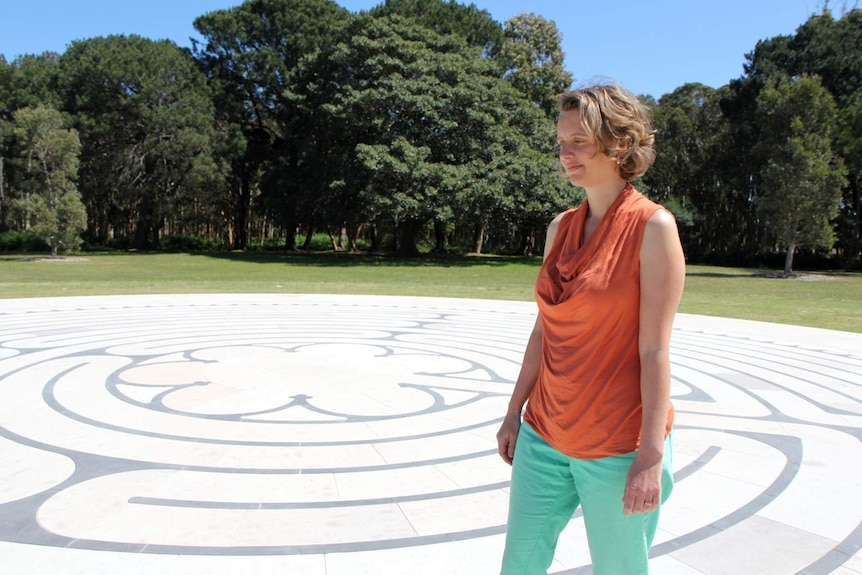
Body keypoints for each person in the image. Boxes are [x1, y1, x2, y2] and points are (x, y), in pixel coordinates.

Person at [496, 83, 686, 575]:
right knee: (519, 565)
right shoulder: (559, 228)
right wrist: (514, 410)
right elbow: (544, 332)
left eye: (578, 140)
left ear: (618, 142)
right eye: (561, 142)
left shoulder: (653, 229)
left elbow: (654, 353)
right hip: (544, 435)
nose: (565, 153)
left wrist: (649, 456)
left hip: (617, 447)